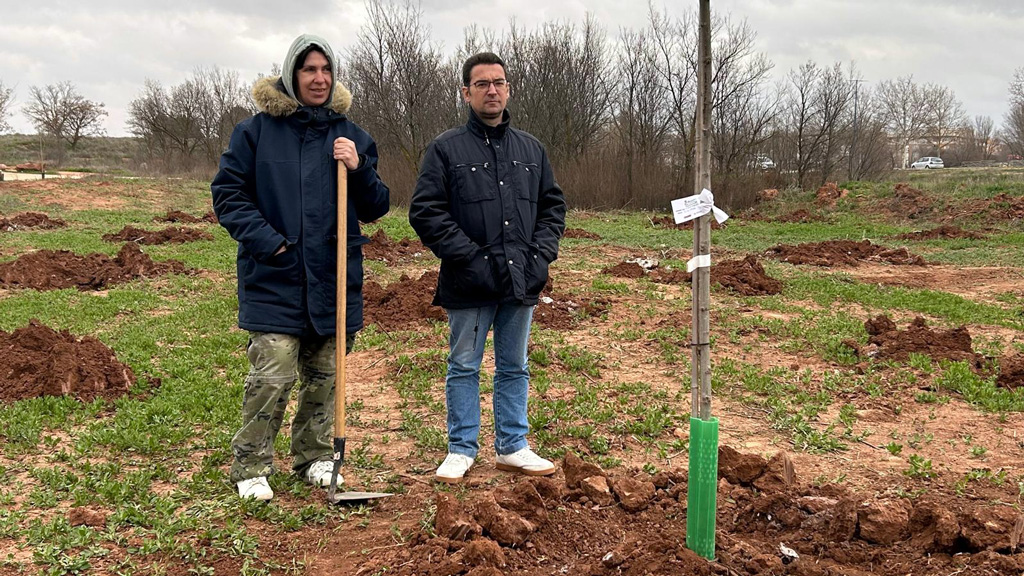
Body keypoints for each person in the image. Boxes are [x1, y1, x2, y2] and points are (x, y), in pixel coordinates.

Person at [211, 34, 390, 501]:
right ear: (292, 75)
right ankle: (251, 465)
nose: (319, 78)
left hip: (333, 278)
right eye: (309, 69)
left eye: (326, 70)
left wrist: (359, 168)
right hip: (276, 276)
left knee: (325, 376)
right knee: (272, 373)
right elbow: (228, 195)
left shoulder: (351, 135)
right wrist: (270, 244)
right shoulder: (255, 133)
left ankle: (314, 457)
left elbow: (377, 206)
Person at [409, 52, 567, 483]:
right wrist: (471, 258)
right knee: (464, 365)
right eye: (482, 84)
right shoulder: (445, 149)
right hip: (469, 281)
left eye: (498, 82)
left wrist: (540, 257)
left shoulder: (531, 150)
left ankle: (513, 446)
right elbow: (426, 211)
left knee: (514, 366)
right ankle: (461, 449)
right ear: (466, 93)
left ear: (508, 89)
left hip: (521, 280)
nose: (491, 90)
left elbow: (552, 208)